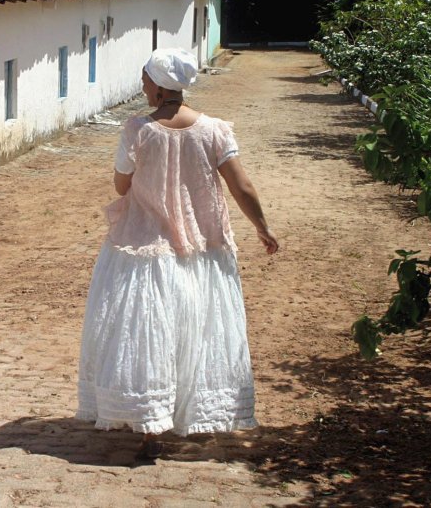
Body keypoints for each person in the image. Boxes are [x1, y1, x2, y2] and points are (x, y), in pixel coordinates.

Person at [76, 47, 279, 460]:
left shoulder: (138, 130)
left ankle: (150, 422)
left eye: (145, 80)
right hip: (202, 250)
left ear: (158, 86)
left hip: (144, 250)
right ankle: (187, 414)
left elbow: (121, 186)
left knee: (148, 333)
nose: (143, 87)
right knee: (195, 332)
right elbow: (242, 186)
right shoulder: (215, 131)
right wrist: (263, 227)